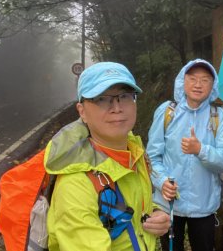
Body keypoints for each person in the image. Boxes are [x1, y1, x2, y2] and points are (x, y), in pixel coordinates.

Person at [44, 62, 170, 251]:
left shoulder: (133, 151)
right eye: (102, 99)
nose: (117, 107)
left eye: (125, 96)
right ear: (82, 111)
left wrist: (156, 213)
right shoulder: (75, 184)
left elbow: (134, 202)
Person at [146, 59, 223, 251]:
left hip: (204, 205)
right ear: (182, 80)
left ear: (213, 85)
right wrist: (161, 181)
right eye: (192, 78)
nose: (198, 84)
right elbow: (152, 156)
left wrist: (200, 150)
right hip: (168, 204)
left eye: (205, 79)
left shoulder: (219, 116)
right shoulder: (167, 112)